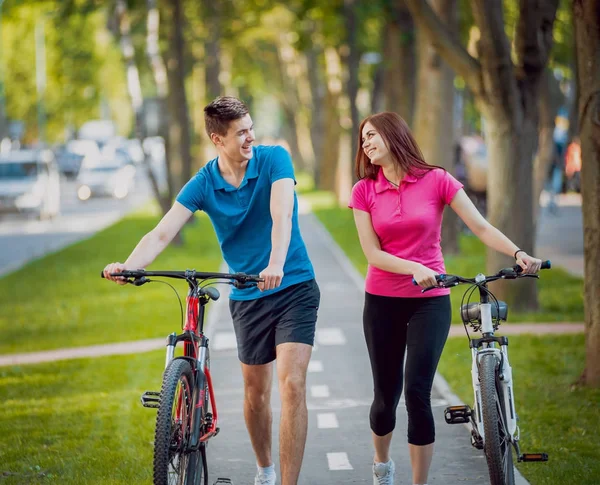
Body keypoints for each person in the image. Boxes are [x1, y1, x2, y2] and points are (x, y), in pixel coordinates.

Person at [103, 96, 320, 485]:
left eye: (251, 128)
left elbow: (281, 214)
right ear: (218, 139)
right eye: (241, 133)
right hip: (246, 295)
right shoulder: (204, 182)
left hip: (293, 285)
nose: (250, 137)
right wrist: (129, 266)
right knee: (256, 395)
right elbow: (163, 231)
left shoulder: (275, 160)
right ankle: (265, 470)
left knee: (292, 384)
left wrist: (275, 262)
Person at [348, 112, 542, 485]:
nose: (366, 143)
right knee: (386, 399)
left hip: (430, 300)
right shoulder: (364, 191)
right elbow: (372, 254)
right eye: (363, 139)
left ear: (393, 136)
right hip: (383, 300)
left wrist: (518, 253)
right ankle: (382, 465)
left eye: (372, 135)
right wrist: (411, 268)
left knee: (417, 391)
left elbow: (481, 227)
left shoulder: (437, 180)